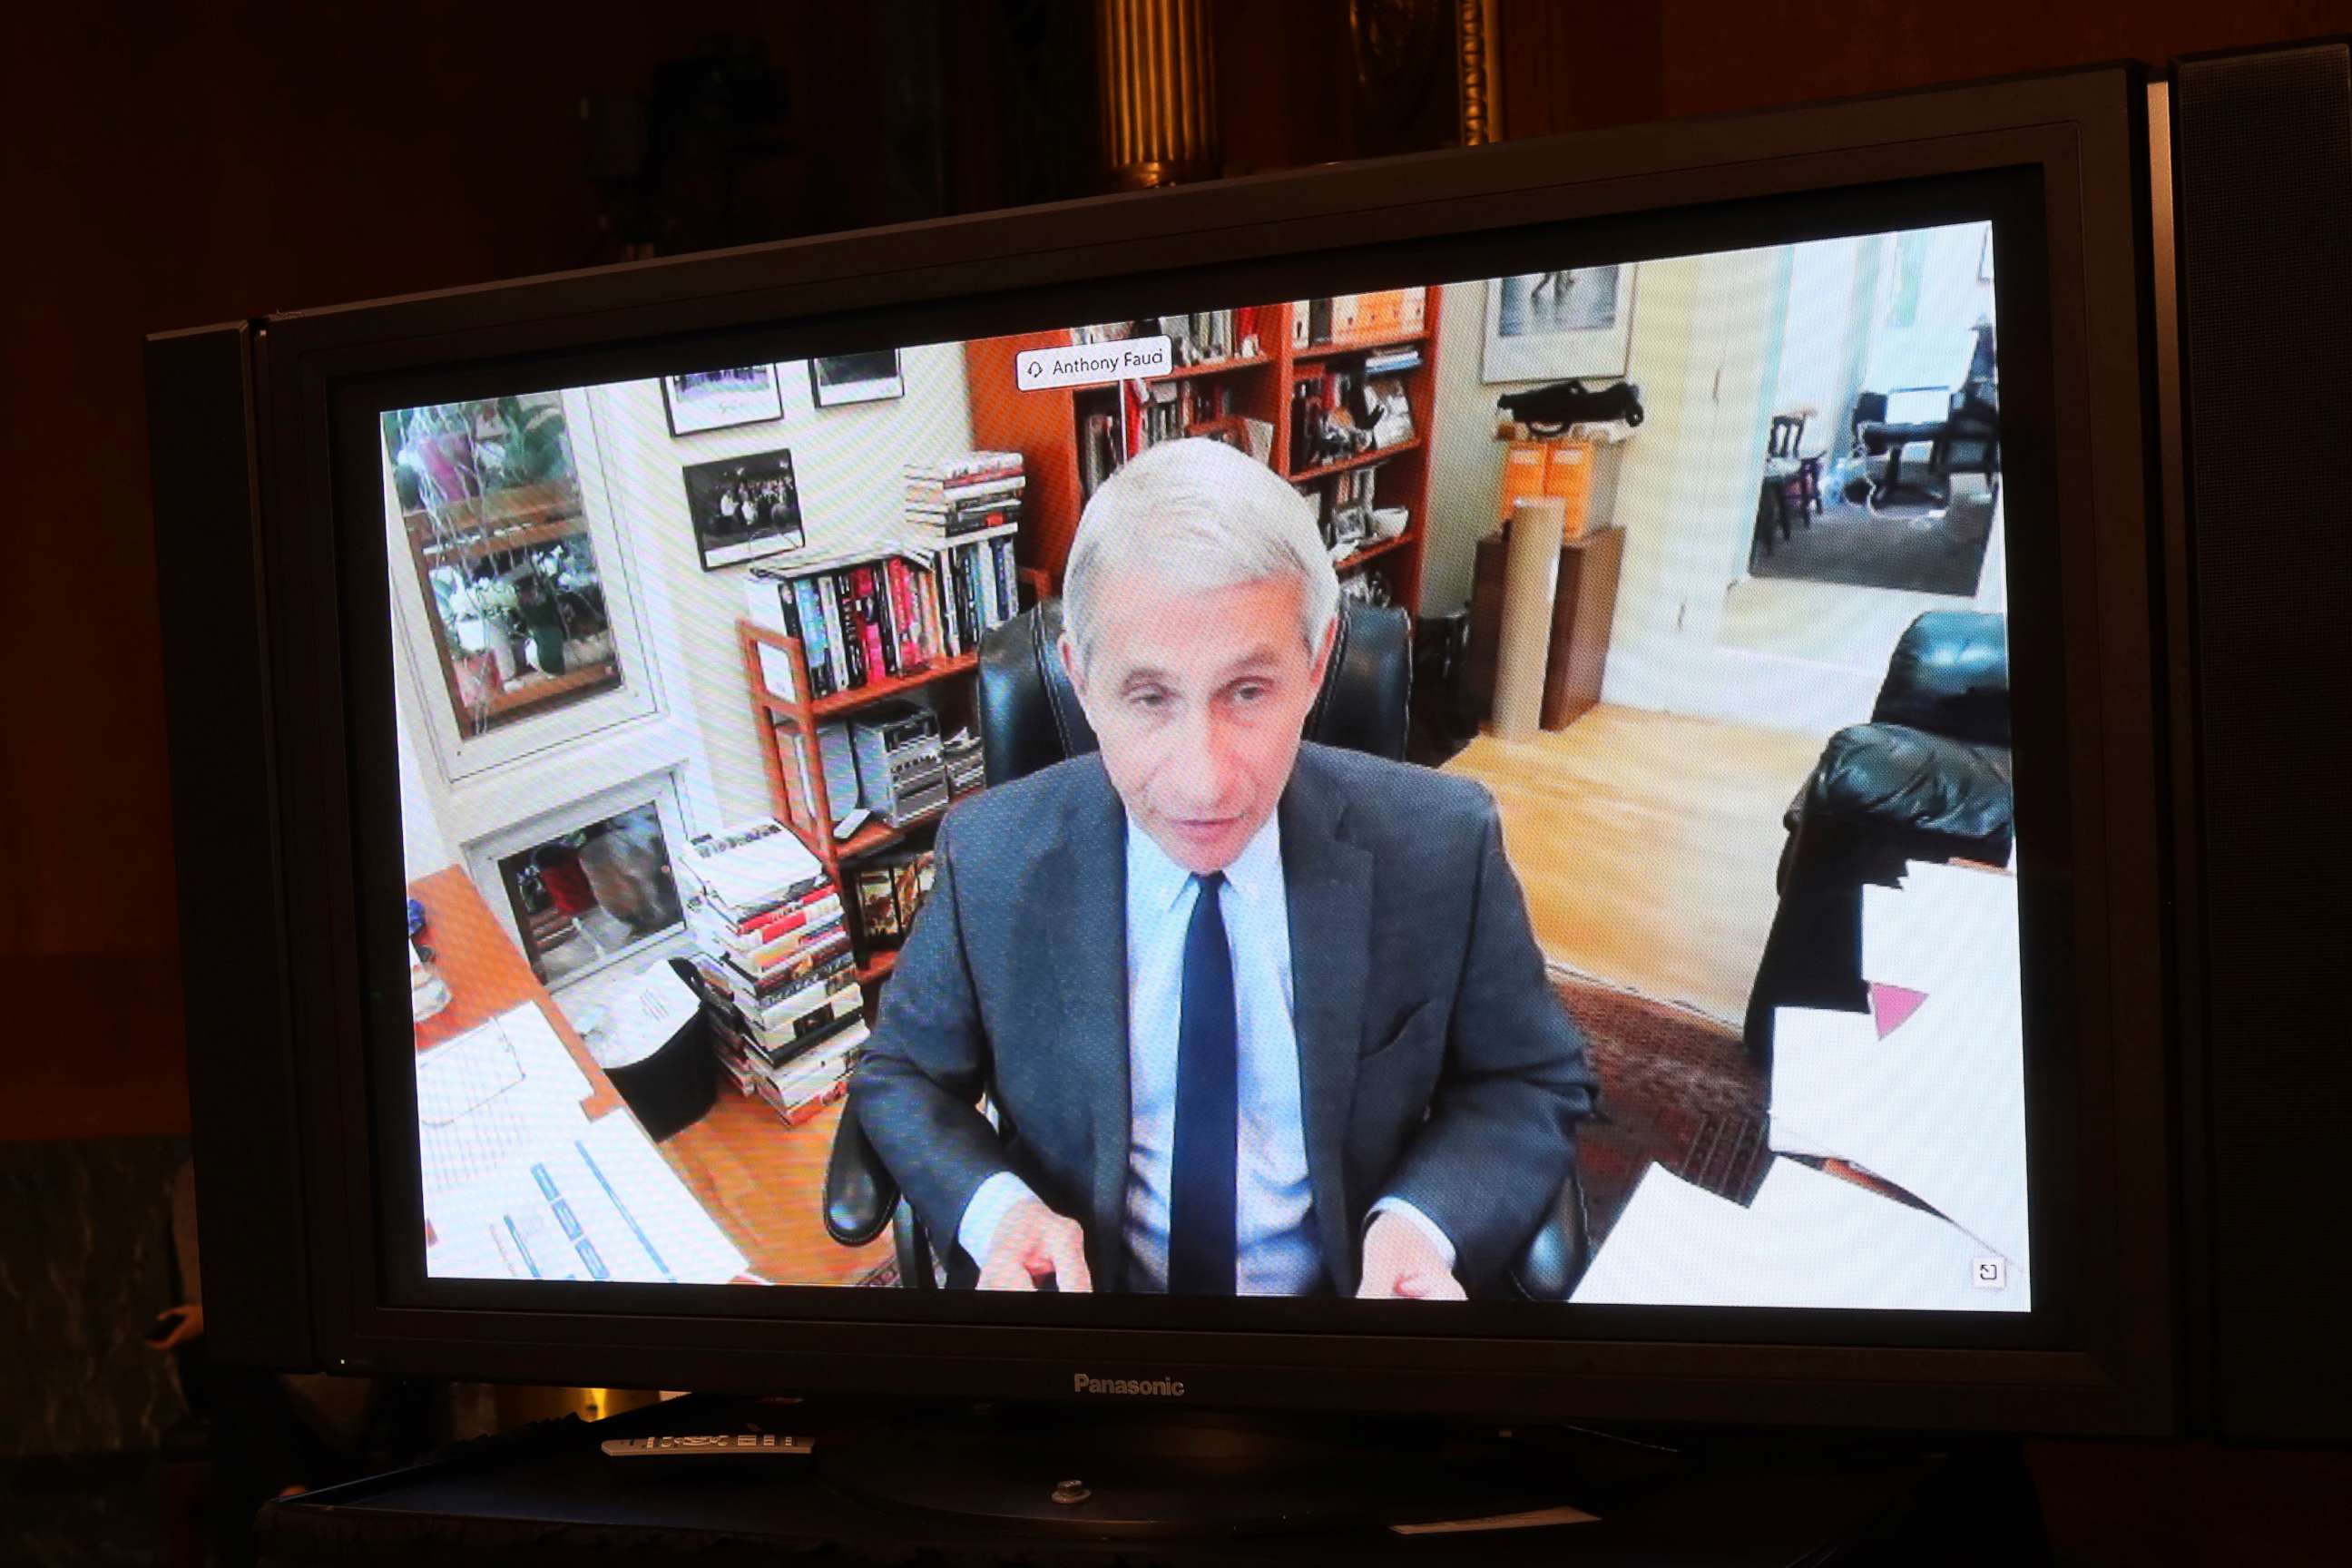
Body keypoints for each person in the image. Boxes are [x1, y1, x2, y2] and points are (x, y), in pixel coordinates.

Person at [850, 437, 1596, 1298]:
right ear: (1080, 681)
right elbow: (901, 1074)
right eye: (1148, 697)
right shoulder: (987, 854)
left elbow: (1531, 1075)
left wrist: (1419, 1224)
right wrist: (996, 1211)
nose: (1203, 781)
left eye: (1248, 691)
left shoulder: (1444, 842)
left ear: (1316, 667)